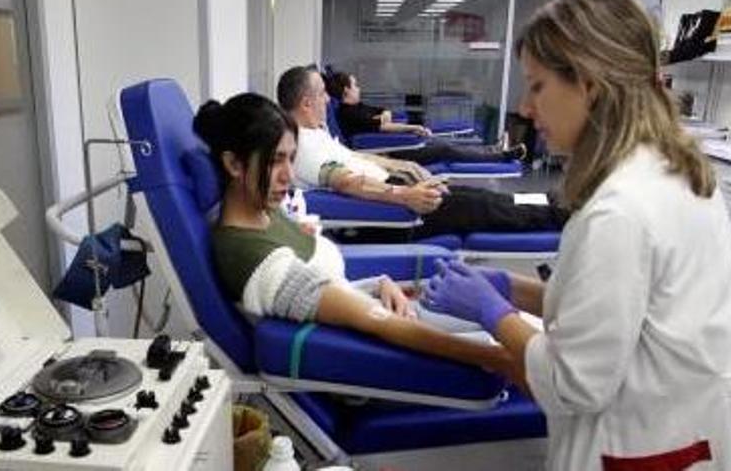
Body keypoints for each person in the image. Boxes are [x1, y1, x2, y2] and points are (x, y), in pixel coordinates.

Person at [421, 0, 731, 470]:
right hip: (685, 429)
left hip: (631, 448)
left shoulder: (619, 213)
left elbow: (573, 383)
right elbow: (628, 317)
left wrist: (493, 314)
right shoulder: (683, 175)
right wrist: (513, 289)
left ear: (589, 82)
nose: (526, 107)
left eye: (538, 84)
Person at [192, 92, 510, 372]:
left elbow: (324, 294)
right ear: (234, 164)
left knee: (514, 320)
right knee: (512, 337)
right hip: (381, 349)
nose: (288, 176)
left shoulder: (264, 214)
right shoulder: (253, 257)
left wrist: (378, 284)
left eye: (291, 158)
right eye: (275, 161)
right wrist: (497, 360)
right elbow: (373, 321)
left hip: (381, 310)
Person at [276, 65, 568, 243]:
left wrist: (403, 165)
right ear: (305, 103)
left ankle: (542, 200)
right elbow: (346, 181)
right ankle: (557, 214)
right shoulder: (304, 146)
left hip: (395, 188)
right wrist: (406, 195)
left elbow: (356, 158)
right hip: (388, 215)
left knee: (476, 196)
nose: (329, 99)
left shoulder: (316, 132)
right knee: (478, 207)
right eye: (322, 94)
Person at [326, 71, 526, 164]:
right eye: (355, 85)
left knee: (442, 145)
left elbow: (384, 113)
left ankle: (492, 150)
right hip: (389, 154)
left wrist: (385, 118)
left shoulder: (356, 107)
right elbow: (382, 127)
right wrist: (412, 128)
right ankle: (500, 156)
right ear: (346, 91)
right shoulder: (348, 113)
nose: (359, 88)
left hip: (395, 146)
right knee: (446, 150)